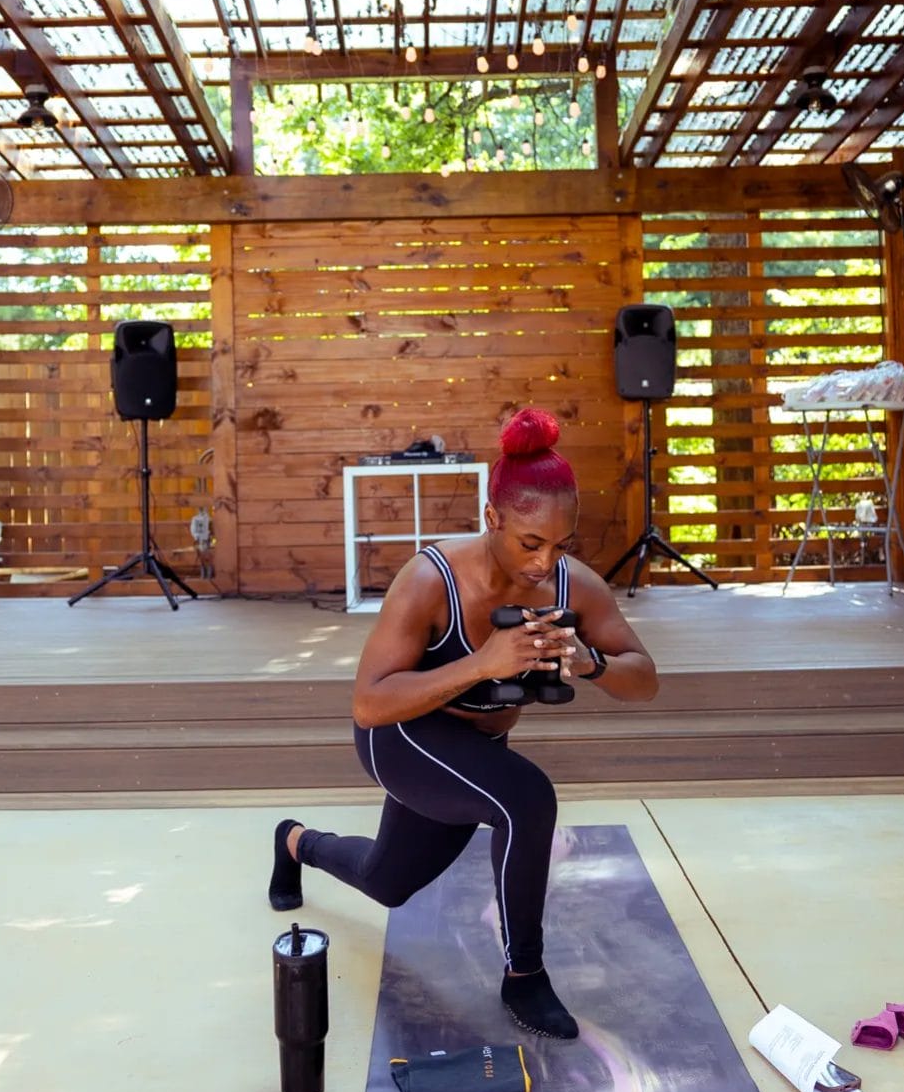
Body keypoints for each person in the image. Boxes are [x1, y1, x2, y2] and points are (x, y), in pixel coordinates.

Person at [267, 407, 659, 1040]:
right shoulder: (429, 580)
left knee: (387, 883)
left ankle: (294, 842)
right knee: (526, 798)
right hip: (403, 737)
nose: (543, 562)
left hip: (475, 752)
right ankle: (524, 977)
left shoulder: (572, 585)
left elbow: (644, 678)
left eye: (560, 544)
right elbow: (368, 702)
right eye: (530, 543)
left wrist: (590, 664)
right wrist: (483, 664)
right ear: (493, 519)